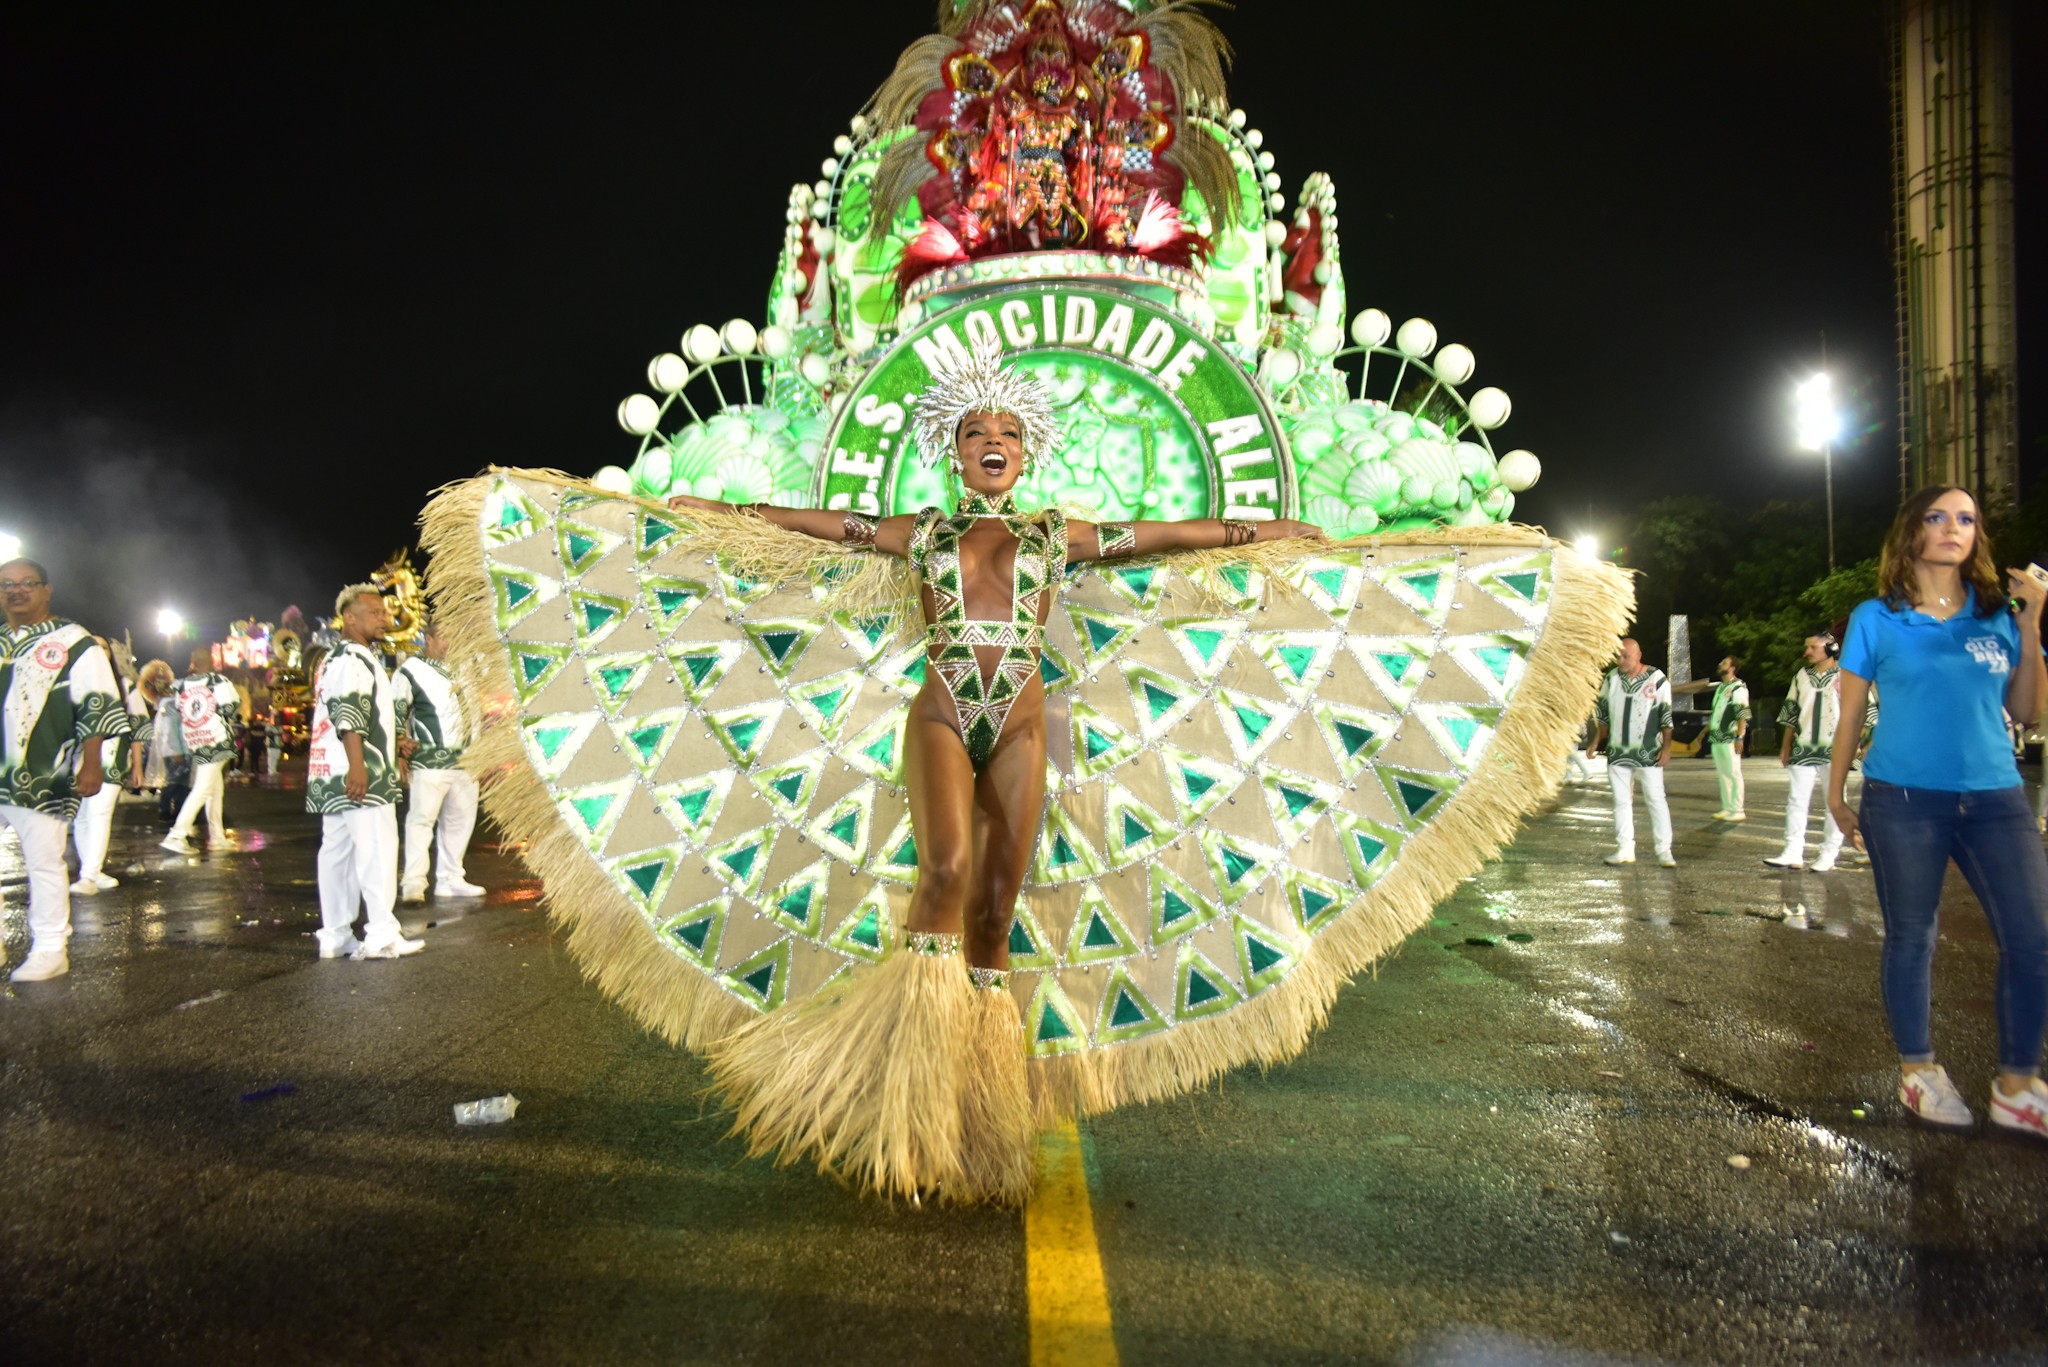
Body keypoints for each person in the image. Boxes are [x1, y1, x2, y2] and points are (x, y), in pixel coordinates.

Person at [675, 346, 1319, 1202]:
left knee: (993, 911)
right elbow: (823, 524)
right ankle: (910, 1095)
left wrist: (1265, 531)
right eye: (974, 429)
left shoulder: (1060, 535)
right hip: (942, 708)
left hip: (1020, 722)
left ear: (1025, 453)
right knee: (943, 872)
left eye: (1007, 432)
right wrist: (725, 509)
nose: (991, 440)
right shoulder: (924, 533)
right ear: (954, 452)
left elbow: (1169, 538)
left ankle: (979, 1110)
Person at [1828, 486, 2048, 1139]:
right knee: (1912, 936)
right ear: (1912, 531)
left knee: (2033, 938)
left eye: (1967, 519)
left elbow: (2029, 711)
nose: (1955, 528)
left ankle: (2017, 1083)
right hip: (1902, 798)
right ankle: (1919, 1068)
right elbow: (1848, 714)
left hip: (1997, 798)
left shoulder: (1997, 615)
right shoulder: (1876, 616)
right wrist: (1837, 795)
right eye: (1939, 516)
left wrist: (2032, 624)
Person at [0, 558, 125, 981]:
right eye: (7, 585)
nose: (16, 591)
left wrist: (91, 764)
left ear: (46, 590)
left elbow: (97, 702)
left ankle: (51, 947)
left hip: (43, 772)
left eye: (27, 583)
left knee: (44, 861)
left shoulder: (75, 641)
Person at [308, 584, 421, 961]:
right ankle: (382, 934)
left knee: (337, 854)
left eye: (384, 612)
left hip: (334, 773)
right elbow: (349, 713)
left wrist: (393, 746)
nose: (385, 619)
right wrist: (358, 765)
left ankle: (336, 934)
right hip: (361, 776)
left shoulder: (340, 657)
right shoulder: (353, 657)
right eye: (375, 613)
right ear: (350, 618)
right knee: (376, 850)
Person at [393, 621, 484, 902]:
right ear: (428, 638)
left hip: (467, 760)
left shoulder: (466, 668)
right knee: (422, 821)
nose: (451, 643)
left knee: (461, 820)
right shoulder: (409, 670)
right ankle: (414, 883)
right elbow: (395, 712)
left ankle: (450, 879)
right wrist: (398, 747)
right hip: (429, 760)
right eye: (445, 637)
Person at [1591, 637, 1675, 866]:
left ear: (1638, 655)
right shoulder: (1611, 678)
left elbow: (1666, 715)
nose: (1621, 660)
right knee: (1620, 801)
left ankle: (1664, 850)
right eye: (1618, 656)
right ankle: (1625, 848)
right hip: (1618, 753)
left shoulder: (1657, 679)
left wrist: (1666, 748)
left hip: (1648, 753)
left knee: (1656, 799)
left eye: (1625, 656)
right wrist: (1596, 740)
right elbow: (1603, 713)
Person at [68, 635, 142, 894]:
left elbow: (138, 728)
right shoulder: (73, 682)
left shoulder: (125, 685)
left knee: (98, 814)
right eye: (91, 647)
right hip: (77, 761)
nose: (97, 652)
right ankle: (92, 871)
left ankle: (88, 874)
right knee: (81, 817)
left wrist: (138, 767)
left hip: (112, 761)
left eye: (102, 648)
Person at [1767, 633, 1845, 872]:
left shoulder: (1846, 675)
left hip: (1836, 749)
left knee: (1834, 803)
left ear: (1830, 648)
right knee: (1796, 801)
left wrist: (1858, 744)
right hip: (1803, 748)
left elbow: (1864, 711)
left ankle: (1829, 853)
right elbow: (1791, 712)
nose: (1807, 652)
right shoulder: (1801, 676)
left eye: (1813, 647)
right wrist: (1785, 745)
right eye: (1806, 646)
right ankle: (1792, 851)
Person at [159, 645, 240, 853]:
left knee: (214, 790)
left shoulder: (182, 685)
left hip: (196, 741)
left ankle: (217, 835)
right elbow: (231, 707)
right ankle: (177, 834)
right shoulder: (218, 682)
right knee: (203, 788)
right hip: (216, 740)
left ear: (192, 662)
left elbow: (179, 710)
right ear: (212, 662)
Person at [1705, 656, 1750, 820]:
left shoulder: (1738, 688)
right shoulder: (1721, 688)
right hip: (1717, 737)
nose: (1720, 664)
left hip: (1730, 738)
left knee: (1734, 772)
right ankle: (1727, 807)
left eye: (1724, 662)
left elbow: (1742, 713)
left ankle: (1738, 809)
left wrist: (1740, 737)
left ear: (1732, 668)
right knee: (1723, 773)